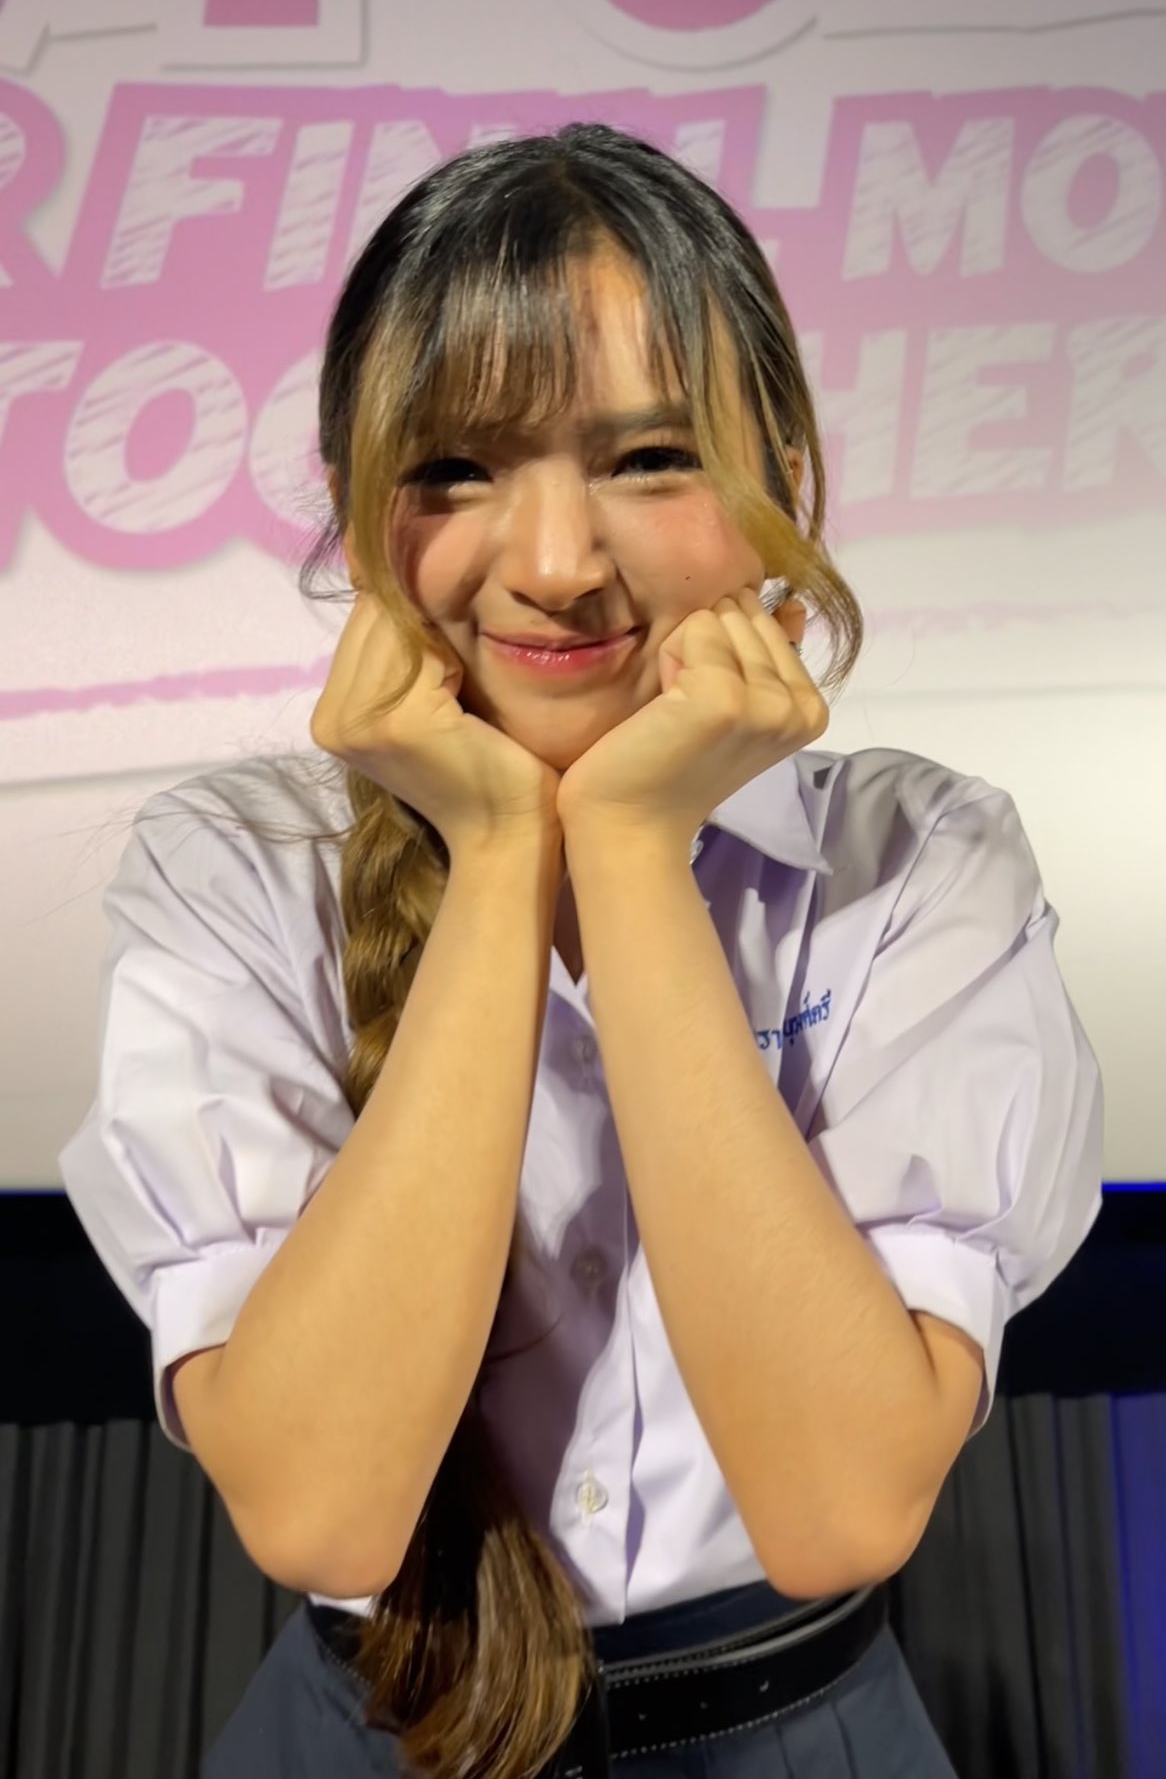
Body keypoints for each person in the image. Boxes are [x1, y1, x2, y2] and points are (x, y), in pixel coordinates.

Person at [58, 123, 1103, 1779]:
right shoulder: (237, 871)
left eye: (651, 458)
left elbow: (840, 1507)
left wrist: (623, 847)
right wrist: (494, 853)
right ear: (354, 508)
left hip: (799, 1725)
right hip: (365, 1732)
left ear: (783, 486)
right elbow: (321, 1512)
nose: (553, 567)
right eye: (455, 470)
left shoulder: (918, 862)